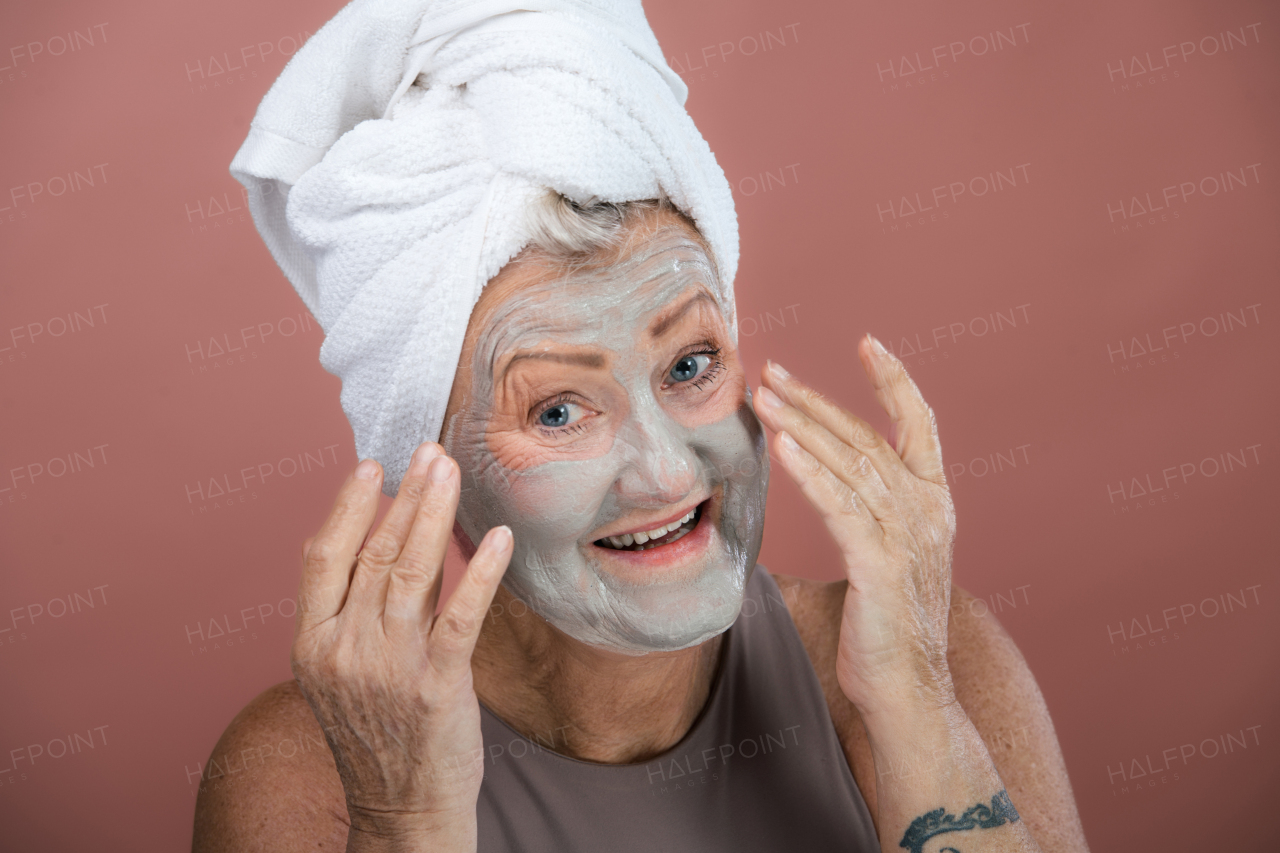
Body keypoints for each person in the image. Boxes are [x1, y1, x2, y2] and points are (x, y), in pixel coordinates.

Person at [197, 1, 1090, 850]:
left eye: (690, 366)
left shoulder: (931, 654)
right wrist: (403, 818)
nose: (666, 474)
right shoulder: (308, 774)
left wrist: (917, 705)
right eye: (557, 411)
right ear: (427, 463)